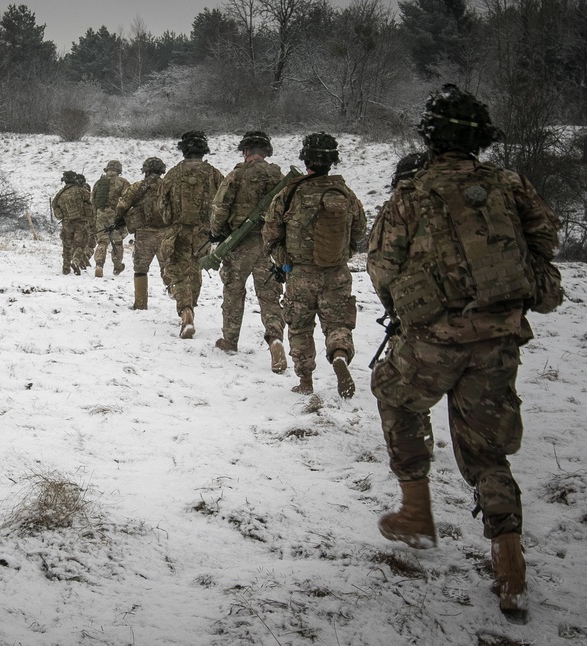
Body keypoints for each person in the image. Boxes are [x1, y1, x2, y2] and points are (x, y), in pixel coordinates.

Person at [367, 84, 561, 625]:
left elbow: (382, 264)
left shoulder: (412, 191)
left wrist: (407, 301)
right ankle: (509, 566)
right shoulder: (510, 185)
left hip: (435, 337)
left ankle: (415, 510)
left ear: (430, 136)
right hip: (500, 339)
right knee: (488, 454)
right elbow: (546, 237)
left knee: (396, 396)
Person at [262, 132, 366, 397]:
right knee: (338, 323)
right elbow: (359, 232)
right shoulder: (346, 194)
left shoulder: (289, 193)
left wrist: (285, 260)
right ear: (332, 161)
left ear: (305, 158)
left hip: (300, 274)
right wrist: (342, 255)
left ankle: (306, 380)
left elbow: (271, 234)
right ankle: (340, 354)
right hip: (337, 273)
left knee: (300, 327)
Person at [210, 130, 287, 372]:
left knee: (233, 293)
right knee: (269, 296)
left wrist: (217, 232)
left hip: (240, 244)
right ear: (267, 151)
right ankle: (275, 338)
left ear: (245, 151)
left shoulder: (236, 174)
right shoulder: (279, 176)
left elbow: (221, 208)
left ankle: (230, 340)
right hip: (269, 246)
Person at [158, 131, 224, 338]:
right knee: (195, 270)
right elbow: (222, 201)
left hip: (178, 231)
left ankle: (185, 310)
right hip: (204, 232)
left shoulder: (173, 174)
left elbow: (162, 204)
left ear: (183, 150)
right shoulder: (214, 174)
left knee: (178, 271)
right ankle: (191, 307)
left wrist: (170, 221)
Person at [114, 156, 168, 309]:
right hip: (167, 233)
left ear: (145, 171)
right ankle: (178, 296)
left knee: (140, 269)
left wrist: (118, 220)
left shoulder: (137, 187)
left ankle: (140, 304)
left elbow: (122, 205)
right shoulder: (169, 187)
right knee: (169, 267)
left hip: (144, 234)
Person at [92, 160, 131, 277]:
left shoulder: (99, 182)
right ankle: (117, 265)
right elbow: (128, 199)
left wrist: (96, 215)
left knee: (102, 241)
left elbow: (93, 200)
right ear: (119, 170)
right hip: (116, 215)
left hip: (101, 213)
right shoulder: (122, 182)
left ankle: (99, 265)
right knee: (117, 242)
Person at [52, 170, 92, 275]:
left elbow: (54, 205)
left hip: (66, 222)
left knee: (67, 245)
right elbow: (90, 200)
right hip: (80, 222)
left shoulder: (60, 194)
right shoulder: (80, 191)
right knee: (80, 244)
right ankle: (75, 261)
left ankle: (65, 267)